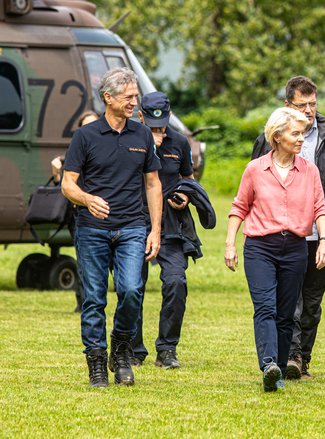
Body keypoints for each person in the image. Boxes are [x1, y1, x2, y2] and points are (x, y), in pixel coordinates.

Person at [62, 67, 162, 388]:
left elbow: (153, 184)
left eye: (136, 96)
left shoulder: (142, 135)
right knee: (94, 298)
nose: (135, 101)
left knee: (132, 290)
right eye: (129, 96)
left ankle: (120, 352)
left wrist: (155, 229)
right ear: (109, 98)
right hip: (92, 229)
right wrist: (87, 199)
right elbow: (67, 184)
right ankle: (95, 362)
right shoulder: (85, 136)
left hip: (132, 227)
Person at [225, 107, 325, 392]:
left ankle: (279, 371)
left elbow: (321, 208)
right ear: (277, 136)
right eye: (295, 134)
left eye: (303, 134)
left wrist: (324, 241)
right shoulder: (255, 169)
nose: (301, 140)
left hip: (295, 247)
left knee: (286, 314)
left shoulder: (310, 171)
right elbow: (239, 207)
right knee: (265, 308)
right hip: (260, 247)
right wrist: (230, 243)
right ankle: (269, 364)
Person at [251, 76, 325, 379]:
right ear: (287, 105)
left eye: (313, 104)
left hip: (320, 233)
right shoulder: (267, 140)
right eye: (301, 104)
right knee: (288, 300)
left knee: (312, 301)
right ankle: (289, 356)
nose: (308, 110)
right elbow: (255, 186)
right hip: (283, 234)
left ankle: (303, 357)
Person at [131, 91, 198, 370]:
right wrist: (151, 148)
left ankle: (167, 349)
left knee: (176, 282)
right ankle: (132, 348)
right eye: (152, 126)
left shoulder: (180, 142)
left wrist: (186, 196)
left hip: (172, 225)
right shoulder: (130, 141)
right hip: (135, 222)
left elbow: (188, 179)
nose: (158, 131)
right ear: (140, 116)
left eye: (162, 125)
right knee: (132, 287)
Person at [50, 110, 99, 313]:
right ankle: (83, 302)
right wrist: (56, 173)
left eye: (94, 125)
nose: (90, 130)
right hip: (79, 214)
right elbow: (63, 186)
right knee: (84, 259)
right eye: (85, 125)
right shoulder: (75, 151)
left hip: (105, 213)